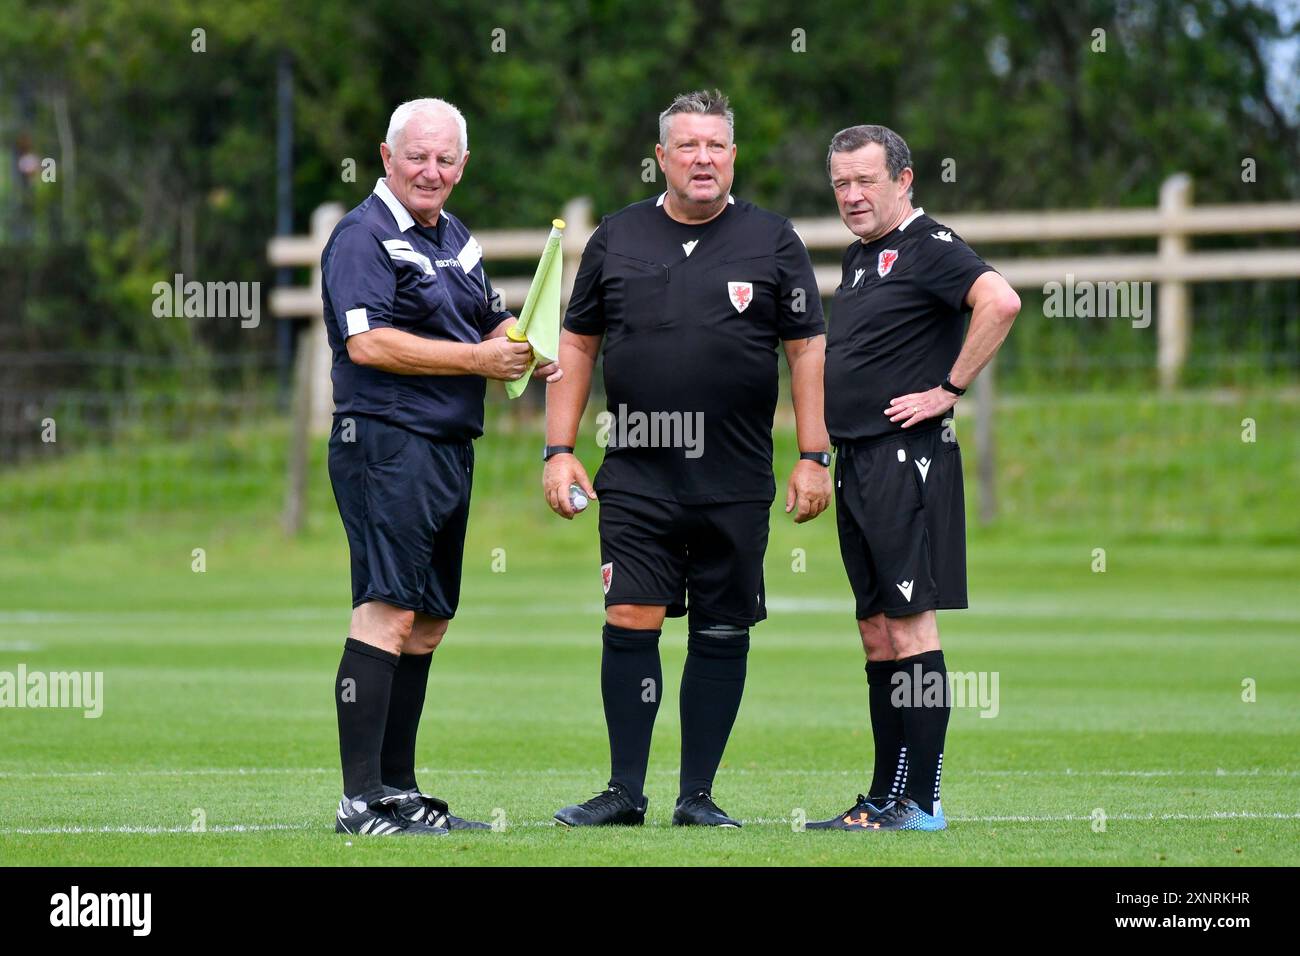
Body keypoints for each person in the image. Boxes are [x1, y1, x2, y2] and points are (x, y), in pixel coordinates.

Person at [543, 89, 832, 828]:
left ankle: (696, 796)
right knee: (630, 614)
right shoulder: (616, 237)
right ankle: (624, 792)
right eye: (688, 146)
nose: (703, 159)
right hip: (637, 474)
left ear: (733, 156)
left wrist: (813, 456)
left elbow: (806, 349)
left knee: (722, 629)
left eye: (716, 146)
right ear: (662, 158)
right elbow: (576, 343)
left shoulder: (773, 240)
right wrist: (559, 450)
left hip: (734, 478)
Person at [321, 97, 561, 836]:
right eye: (417, 156)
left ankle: (398, 792)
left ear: (463, 165)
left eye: (445, 159)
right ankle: (360, 802)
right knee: (387, 611)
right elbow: (369, 343)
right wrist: (479, 361)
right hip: (387, 443)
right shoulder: (362, 236)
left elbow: (488, 318)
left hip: (449, 447)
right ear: (386, 157)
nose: (431, 171)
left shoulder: (456, 237)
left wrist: (524, 344)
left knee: (426, 623)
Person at [806, 124, 1019, 832]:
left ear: (904, 179)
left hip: (907, 460)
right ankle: (881, 798)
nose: (852, 195)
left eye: (866, 180)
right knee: (875, 631)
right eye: (841, 183)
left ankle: (922, 801)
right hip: (858, 459)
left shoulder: (931, 246)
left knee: (909, 627)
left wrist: (948, 390)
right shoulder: (861, 256)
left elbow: (1001, 301)